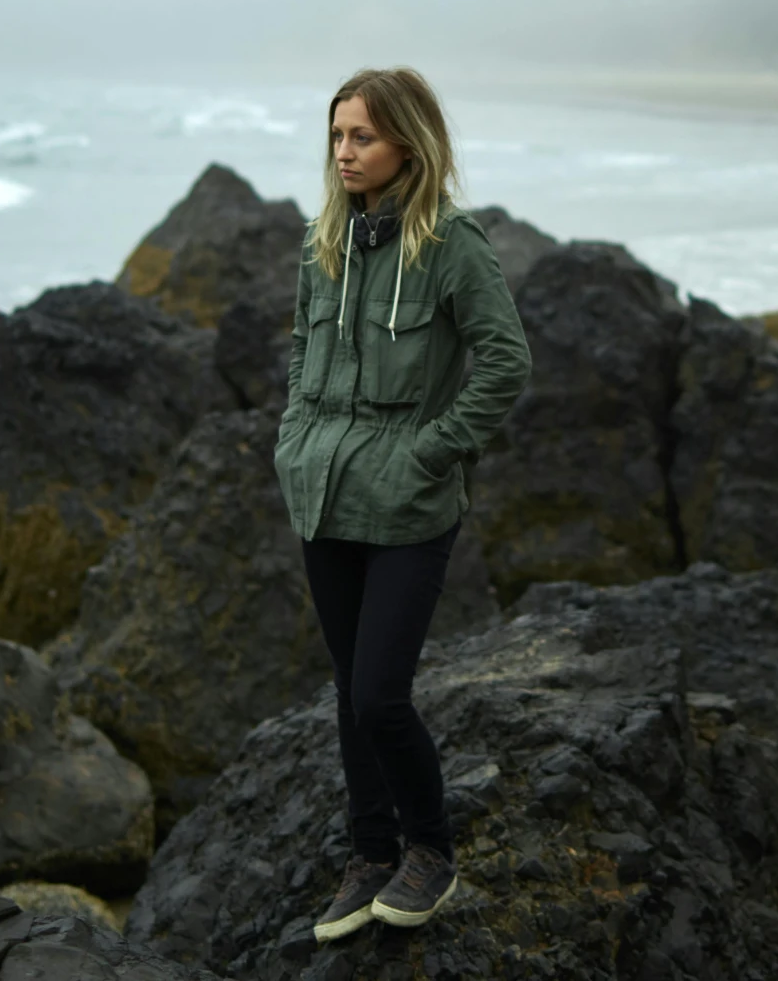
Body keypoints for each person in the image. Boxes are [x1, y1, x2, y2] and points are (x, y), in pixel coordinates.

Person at [273, 66, 532, 942]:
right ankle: (369, 854)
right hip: (324, 492)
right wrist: (294, 442)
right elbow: (302, 358)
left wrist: (432, 449)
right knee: (350, 693)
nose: (344, 153)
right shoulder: (322, 243)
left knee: (381, 694)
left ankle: (430, 851)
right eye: (338, 136)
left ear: (407, 145)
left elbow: (506, 363)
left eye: (363, 138)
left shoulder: (452, 245)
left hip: (411, 504)